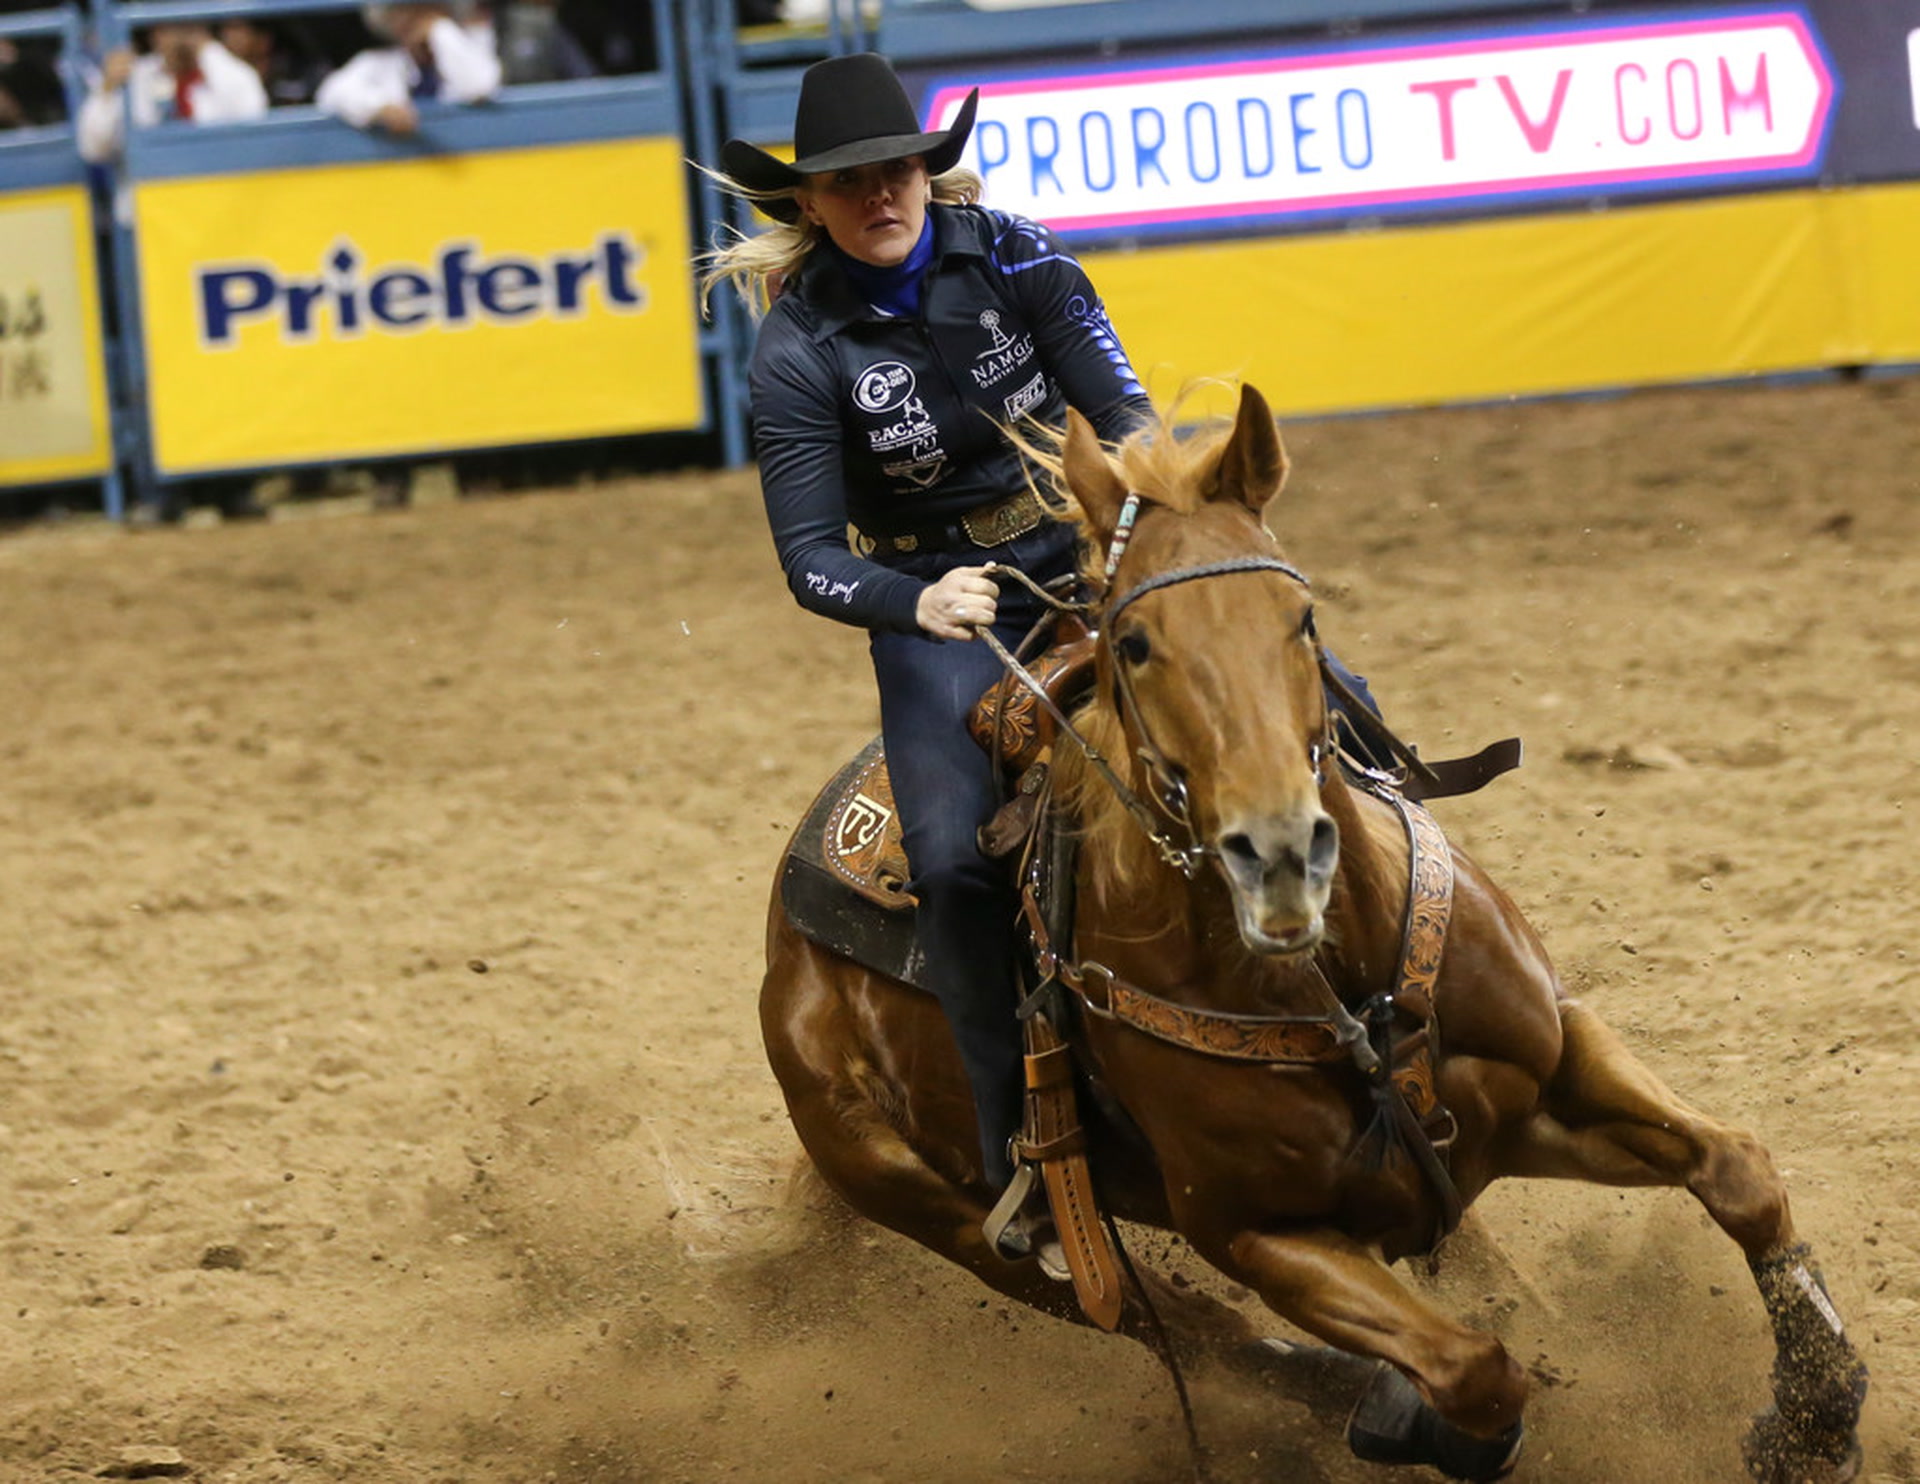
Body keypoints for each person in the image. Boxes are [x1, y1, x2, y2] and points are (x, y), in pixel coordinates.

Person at [703, 52, 1155, 1262]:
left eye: (896, 169)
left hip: (1077, 552)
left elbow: (1123, 413)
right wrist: (916, 599)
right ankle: (1021, 1155)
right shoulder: (799, 347)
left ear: (925, 170)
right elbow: (809, 558)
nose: (879, 195)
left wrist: (1146, 511)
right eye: (849, 181)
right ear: (810, 203)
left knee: (1288, 685)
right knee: (952, 862)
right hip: (946, 607)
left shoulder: (1014, 252)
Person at [75, 25, 268, 163]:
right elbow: (91, 149)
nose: (180, 39)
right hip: (149, 197)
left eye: (188, 28)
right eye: (170, 29)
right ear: (155, 34)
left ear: (202, 31)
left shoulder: (235, 76)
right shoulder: (135, 77)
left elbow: (259, 148)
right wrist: (107, 90)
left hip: (221, 194)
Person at [315, 3, 500, 134]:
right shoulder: (378, 63)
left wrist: (440, 31)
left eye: (425, 11)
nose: (414, 22)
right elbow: (331, 93)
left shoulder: (467, 53)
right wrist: (380, 107)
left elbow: (479, 86)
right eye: (404, 13)